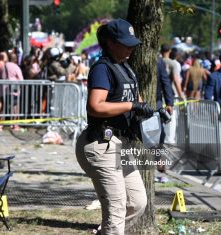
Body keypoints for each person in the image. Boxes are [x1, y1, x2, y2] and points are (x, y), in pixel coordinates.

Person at [75, 19, 154, 234]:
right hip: (101, 144)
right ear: (110, 43)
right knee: (117, 208)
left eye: (132, 43)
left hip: (119, 144)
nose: (131, 48)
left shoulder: (126, 68)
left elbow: (133, 101)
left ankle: (107, 231)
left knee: (137, 202)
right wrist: (131, 105)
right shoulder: (102, 68)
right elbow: (95, 106)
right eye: (125, 43)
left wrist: (149, 110)